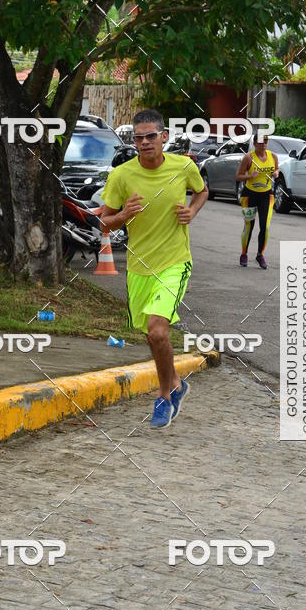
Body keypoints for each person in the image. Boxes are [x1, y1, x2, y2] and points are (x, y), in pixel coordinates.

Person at [100, 109, 208, 428]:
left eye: (151, 136)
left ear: (164, 137)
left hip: (175, 262)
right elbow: (104, 223)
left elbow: (201, 191)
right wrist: (123, 216)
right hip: (139, 267)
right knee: (152, 336)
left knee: (159, 330)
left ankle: (164, 397)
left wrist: (192, 211)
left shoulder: (183, 166)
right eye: (138, 138)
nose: (145, 142)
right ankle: (175, 381)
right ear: (133, 141)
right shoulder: (122, 176)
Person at [236, 133, 279, 269]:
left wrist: (276, 173)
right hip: (249, 196)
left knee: (265, 227)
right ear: (254, 143)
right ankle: (244, 254)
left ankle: (260, 255)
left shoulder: (273, 156)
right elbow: (238, 176)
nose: (263, 144)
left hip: (267, 195)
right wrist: (249, 176)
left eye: (265, 141)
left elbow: (276, 169)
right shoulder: (249, 157)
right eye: (260, 142)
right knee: (249, 226)